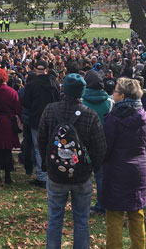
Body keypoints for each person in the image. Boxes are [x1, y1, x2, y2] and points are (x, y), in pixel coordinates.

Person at [38, 73, 106, 249]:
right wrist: (92, 168)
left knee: (55, 219)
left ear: (63, 90)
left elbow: (42, 139)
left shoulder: (50, 110)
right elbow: (99, 147)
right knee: (81, 221)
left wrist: (47, 164)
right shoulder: (90, 115)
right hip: (81, 175)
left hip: (56, 173)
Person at [102, 77, 146, 249]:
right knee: (136, 213)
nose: (112, 94)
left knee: (114, 215)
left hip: (116, 169)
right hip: (138, 170)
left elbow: (106, 147)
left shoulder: (113, 119)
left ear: (122, 96)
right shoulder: (145, 117)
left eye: (115, 91)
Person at [22, 60, 61, 188]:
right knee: (52, 147)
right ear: (46, 69)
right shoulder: (55, 83)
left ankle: (42, 176)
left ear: (35, 69)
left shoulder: (31, 85)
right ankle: (52, 173)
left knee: (39, 148)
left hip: (37, 119)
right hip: (53, 119)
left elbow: (26, 103)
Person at [81, 70, 113, 215]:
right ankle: (102, 204)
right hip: (103, 142)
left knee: (83, 176)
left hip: (83, 142)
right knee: (101, 176)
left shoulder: (80, 101)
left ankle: (82, 204)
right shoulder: (110, 102)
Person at [0, 67, 21, 184]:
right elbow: (18, 109)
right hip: (8, 122)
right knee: (7, 150)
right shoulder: (12, 92)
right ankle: (8, 176)